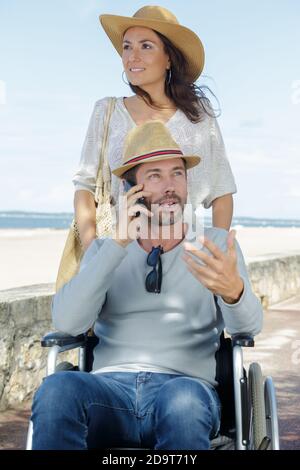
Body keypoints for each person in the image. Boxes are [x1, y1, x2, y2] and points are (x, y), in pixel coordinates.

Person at [31, 121, 263, 450]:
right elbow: (67, 322)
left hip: (185, 390)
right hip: (109, 393)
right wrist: (117, 244)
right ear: (131, 190)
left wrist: (233, 292)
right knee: (56, 391)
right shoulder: (104, 251)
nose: (170, 186)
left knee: (182, 401)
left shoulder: (214, 245)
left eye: (177, 173)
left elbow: (249, 329)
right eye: (155, 175)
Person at [73, 5, 237, 252]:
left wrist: (215, 253)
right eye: (127, 46)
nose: (132, 56)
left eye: (145, 46)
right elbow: (85, 188)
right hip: (121, 258)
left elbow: (222, 191)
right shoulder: (106, 112)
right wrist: (94, 254)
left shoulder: (199, 114)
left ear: (169, 57)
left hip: (187, 257)